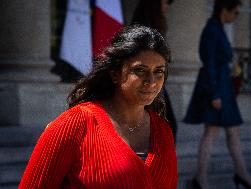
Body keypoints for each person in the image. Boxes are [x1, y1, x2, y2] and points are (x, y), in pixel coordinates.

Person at [19, 25, 178, 189]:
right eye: (140, 70)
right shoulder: (74, 125)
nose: (151, 81)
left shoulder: (163, 130)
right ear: (115, 74)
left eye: (159, 71)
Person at [183, 0, 251, 189]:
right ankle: (201, 180)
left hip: (223, 87)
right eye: (235, 13)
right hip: (217, 88)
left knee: (233, 132)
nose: (237, 17)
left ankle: (242, 176)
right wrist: (215, 94)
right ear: (224, 10)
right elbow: (209, 63)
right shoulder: (212, 29)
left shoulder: (217, 28)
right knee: (211, 132)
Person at [131, 0, 177, 142]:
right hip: (145, 88)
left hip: (155, 87)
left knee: (165, 128)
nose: (167, 6)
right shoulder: (143, 31)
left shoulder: (153, 27)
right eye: (165, 1)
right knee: (160, 129)